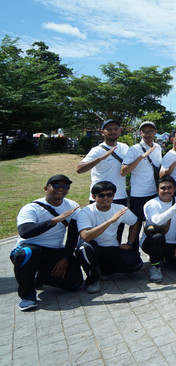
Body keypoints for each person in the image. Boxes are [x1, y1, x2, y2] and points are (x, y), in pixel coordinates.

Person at [10, 174, 83, 311]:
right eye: (56, 185)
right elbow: (25, 232)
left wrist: (66, 258)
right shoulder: (31, 208)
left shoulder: (72, 206)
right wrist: (54, 221)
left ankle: (39, 276)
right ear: (46, 188)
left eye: (65, 186)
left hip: (53, 250)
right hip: (28, 249)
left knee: (74, 283)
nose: (60, 189)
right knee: (29, 252)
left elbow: (73, 235)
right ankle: (27, 295)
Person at [75, 181, 142, 293]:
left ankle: (104, 270)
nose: (106, 198)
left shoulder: (119, 209)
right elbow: (86, 236)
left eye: (109, 195)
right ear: (93, 196)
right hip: (93, 248)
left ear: (113, 196)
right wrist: (110, 221)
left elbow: (135, 222)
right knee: (83, 249)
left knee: (136, 264)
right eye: (101, 195)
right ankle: (92, 278)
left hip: (111, 247)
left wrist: (129, 243)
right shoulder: (86, 212)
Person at [141, 177, 176, 283]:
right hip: (151, 242)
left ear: (174, 189)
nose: (166, 191)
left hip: (170, 243)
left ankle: (164, 257)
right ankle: (154, 266)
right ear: (157, 190)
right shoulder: (151, 204)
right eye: (163, 188)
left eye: (169, 188)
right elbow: (157, 221)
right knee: (158, 238)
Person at [121, 121, 162, 237]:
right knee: (136, 225)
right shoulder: (134, 149)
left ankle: (152, 252)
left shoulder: (157, 147)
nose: (147, 134)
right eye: (144, 131)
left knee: (153, 225)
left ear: (155, 132)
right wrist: (141, 157)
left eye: (150, 131)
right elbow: (123, 171)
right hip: (138, 195)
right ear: (140, 133)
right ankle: (132, 251)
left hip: (154, 193)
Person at [76, 119, 129, 207]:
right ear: (102, 132)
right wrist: (100, 158)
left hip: (120, 196)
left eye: (116, 129)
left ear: (120, 131)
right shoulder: (97, 150)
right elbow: (79, 169)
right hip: (100, 196)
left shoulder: (125, 147)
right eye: (109, 129)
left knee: (120, 221)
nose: (113, 131)